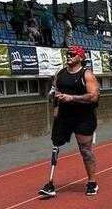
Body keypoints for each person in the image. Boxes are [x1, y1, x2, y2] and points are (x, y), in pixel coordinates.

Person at [38, 46, 100, 198]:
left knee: (85, 151)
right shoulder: (59, 73)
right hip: (64, 116)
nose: (69, 56)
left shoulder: (87, 74)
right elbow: (53, 91)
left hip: (83, 118)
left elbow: (93, 96)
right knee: (56, 146)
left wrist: (72, 98)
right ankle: (50, 183)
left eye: (72, 54)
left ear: (80, 57)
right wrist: (55, 103)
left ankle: (92, 182)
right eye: (67, 54)